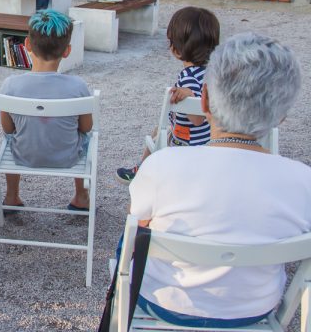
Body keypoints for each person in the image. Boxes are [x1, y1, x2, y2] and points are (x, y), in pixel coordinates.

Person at [128, 32, 310, 327]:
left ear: (206, 100)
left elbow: (136, 230)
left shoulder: (162, 165)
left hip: (163, 302)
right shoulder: (303, 182)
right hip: (253, 310)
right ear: (282, 116)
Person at [0, 10, 92, 211]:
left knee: (10, 139)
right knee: (86, 137)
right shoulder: (78, 86)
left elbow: (7, 129)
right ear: (67, 51)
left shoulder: (10, 85)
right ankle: (81, 196)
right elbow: (86, 127)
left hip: (24, 155)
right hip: (67, 157)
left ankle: (12, 196)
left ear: (28, 45)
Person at [116, 7, 220, 184]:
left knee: (160, 132)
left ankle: (142, 169)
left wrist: (189, 94)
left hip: (186, 144)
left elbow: (196, 119)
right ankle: (140, 166)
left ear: (176, 50)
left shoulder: (188, 77)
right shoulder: (214, 72)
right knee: (160, 127)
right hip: (209, 140)